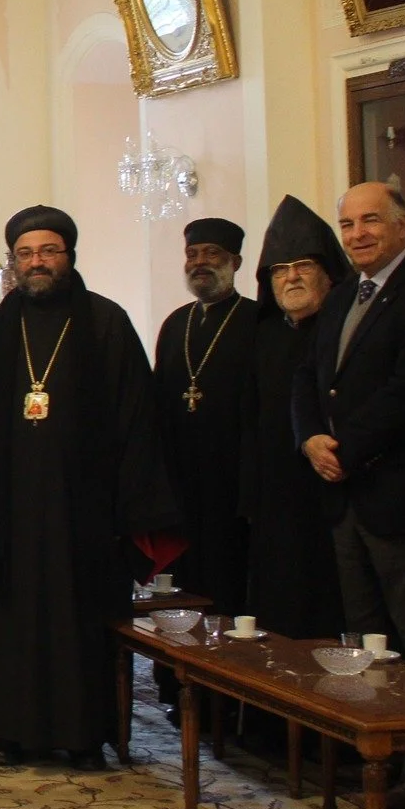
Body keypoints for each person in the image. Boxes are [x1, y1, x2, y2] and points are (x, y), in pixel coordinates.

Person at [0, 206, 181, 771]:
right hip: (9, 513)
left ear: (69, 255)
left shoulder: (106, 323)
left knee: (80, 627)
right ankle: (13, 734)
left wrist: (130, 504)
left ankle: (85, 736)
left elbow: (136, 419)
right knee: (11, 626)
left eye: (48, 252)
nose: (36, 262)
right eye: (25, 253)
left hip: (84, 513)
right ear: (12, 261)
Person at [290, 181, 405, 809]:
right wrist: (307, 440)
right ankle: (380, 758)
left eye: (371, 221)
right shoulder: (345, 293)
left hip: (396, 493)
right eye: (347, 225)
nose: (357, 235)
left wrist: (341, 449)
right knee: (365, 635)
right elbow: (307, 376)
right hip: (343, 496)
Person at [241, 196, 348, 640]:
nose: (292, 277)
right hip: (273, 501)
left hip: (332, 495)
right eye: (281, 269)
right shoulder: (259, 335)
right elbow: (245, 421)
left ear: (328, 273)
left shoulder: (345, 329)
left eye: (303, 265)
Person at [152, 217, 254, 615]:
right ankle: (173, 674)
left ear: (236, 261)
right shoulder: (176, 324)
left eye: (212, 253)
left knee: (228, 582)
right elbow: (159, 400)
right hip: (180, 481)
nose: (199, 262)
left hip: (232, 482)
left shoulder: (256, 321)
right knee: (179, 586)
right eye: (192, 254)